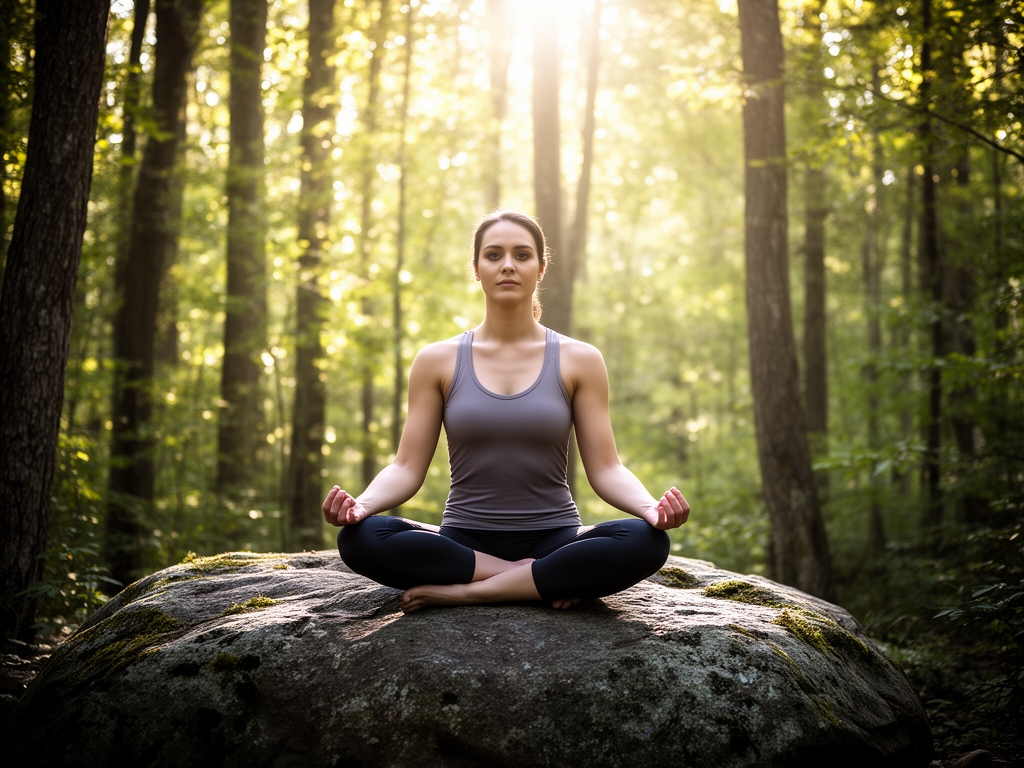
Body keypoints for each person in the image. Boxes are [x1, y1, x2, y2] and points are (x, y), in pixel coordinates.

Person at [323, 209, 690, 613]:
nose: (508, 266)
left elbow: (606, 469)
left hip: (556, 538)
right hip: (464, 540)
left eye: (522, 255)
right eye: (494, 255)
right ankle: (537, 579)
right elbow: (407, 468)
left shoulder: (580, 359)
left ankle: (469, 592)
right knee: (361, 537)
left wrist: (649, 509)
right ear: (477, 269)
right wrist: (362, 505)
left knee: (647, 540)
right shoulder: (437, 360)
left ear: (541, 269)